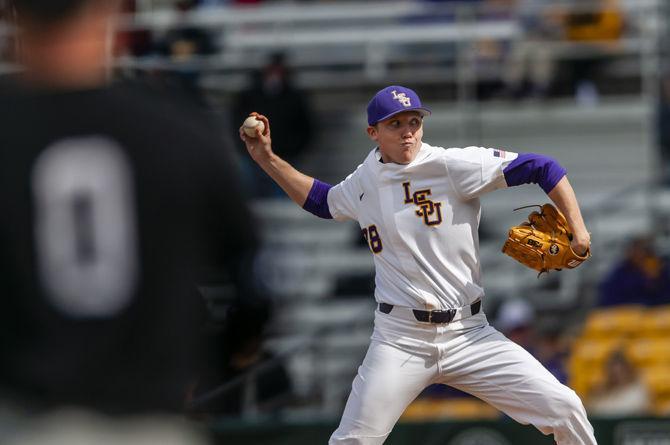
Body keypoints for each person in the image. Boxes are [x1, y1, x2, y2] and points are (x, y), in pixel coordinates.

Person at [240, 85, 596, 444]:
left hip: (469, 332)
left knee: (565, 408)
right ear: (373, 133)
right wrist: (267, 159)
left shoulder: (450, 166)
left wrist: (578, 230)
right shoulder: (366, 179)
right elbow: (322, 201)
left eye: (414, 121)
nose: (408, 131)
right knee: (353, 441)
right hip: (400, 339)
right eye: (395, 124)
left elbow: (542, 167)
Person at [0, 0, 256, 442]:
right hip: (150, 420)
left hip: (24, 418)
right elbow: (253, 289)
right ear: (110, 7)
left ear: (10, 11)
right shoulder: (178, 128)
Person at [597, 236, 670, 307]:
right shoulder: (620, 273)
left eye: (643, 250)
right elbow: (608, 299)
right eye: (636, 250)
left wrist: (656, 281)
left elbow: (664, 295)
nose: (639, 254)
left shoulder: (660, 270)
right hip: (627, 314)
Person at [586, 349, 651, 417]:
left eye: (620, 372)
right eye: (613, 374)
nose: (617, 378)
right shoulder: (600, 393)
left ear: (628, 370)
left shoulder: (638, 391)